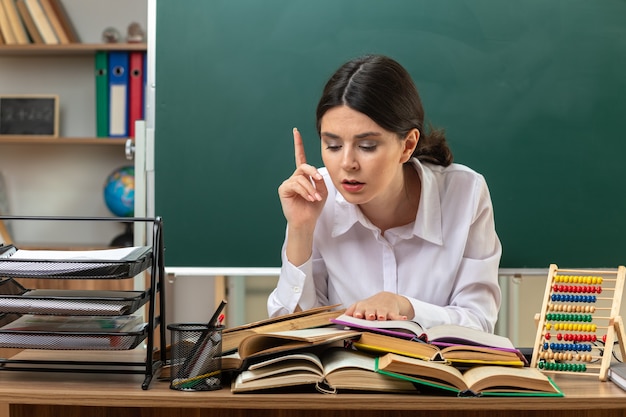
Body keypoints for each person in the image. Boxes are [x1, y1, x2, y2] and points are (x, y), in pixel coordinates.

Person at [267, 54, 501, 332]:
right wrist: (300, 229)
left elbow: (479, 321)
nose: (347, 164)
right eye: (332, 146)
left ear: (407, 145)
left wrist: (405, 307)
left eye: (366, 146)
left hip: (435, 374)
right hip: (346, 375)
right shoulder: (317, 196)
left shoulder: (466, 192)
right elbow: (290, 331)